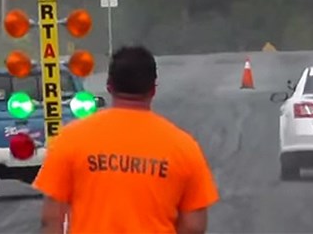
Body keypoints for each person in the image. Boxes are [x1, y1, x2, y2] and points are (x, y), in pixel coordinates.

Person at [33, 45, 219, 234]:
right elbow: (193, 226)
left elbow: (51, 219)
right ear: (153, 89)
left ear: (109, 87)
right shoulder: (184, 146)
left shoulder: (70, 138)